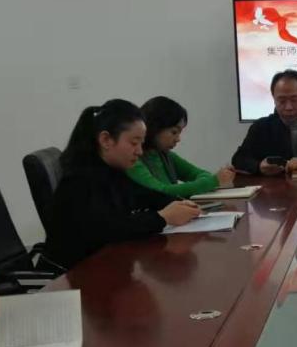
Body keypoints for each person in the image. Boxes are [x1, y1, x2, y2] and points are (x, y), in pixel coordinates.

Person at [47, 100, 200, 269]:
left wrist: (176, 203)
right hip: (77, 275)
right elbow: (110, 229)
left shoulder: (111, 171)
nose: (139, 151)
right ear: (106, 140)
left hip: (105, 266)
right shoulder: (79, 180)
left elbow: (142, 195)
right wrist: (162, 217)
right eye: (134, 143)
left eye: (141, 143)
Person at [126, 96, 235, 198]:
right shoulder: (132, 160)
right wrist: (213, 181)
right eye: (174, 132)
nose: (178, 139)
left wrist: (210, 181)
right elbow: (162, 192)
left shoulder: (166, 155)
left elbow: (201, 173)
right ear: (155, 128)